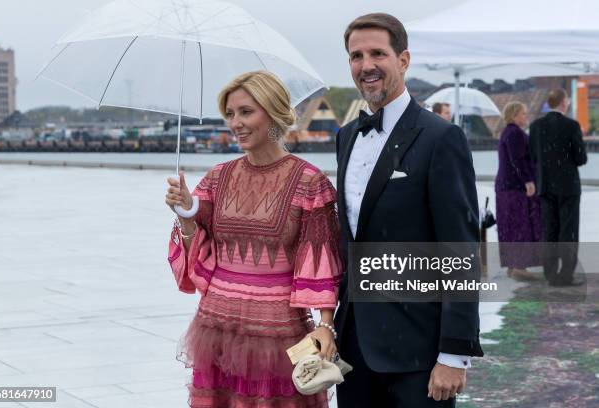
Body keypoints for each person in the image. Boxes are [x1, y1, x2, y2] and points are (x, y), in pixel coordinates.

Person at [165, 71, 343, 407]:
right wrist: (186, 211)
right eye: (230, 114)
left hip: (277, 335)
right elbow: (196, 256)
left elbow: (320, 262)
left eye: (246, 112)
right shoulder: (217, 177)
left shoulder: (309, 181)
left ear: (273, 112)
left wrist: (325, 325)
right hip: (215, 327)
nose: (236, 123)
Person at [333, 13, 483, 407]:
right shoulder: (346, 136)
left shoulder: (441, 138)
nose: (366, 66)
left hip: (419, 351)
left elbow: (461, 250)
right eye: (356, 56)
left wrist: (454, 353)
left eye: (377, 53)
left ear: (403, 60)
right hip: (353, 350)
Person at [529, 88, 587, 286]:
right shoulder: (571, 126)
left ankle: (550, 274)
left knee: (549, 230)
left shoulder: (536, 126)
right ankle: (565, 275)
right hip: (568, 186)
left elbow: (533, 156)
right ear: (564, 103)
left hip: (545, 185)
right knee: (568, 231)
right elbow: (581, 159)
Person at [494, 102, 542, 280]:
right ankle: (519, 266)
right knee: (519, 224)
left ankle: (512, 265)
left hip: (506, 186)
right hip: (514, 187)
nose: (526, 117)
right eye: (523, 113)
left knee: (508, 225)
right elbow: (518, 160)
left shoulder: (507, 132)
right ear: (514, 115)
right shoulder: (515, 133)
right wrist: (528, 181)